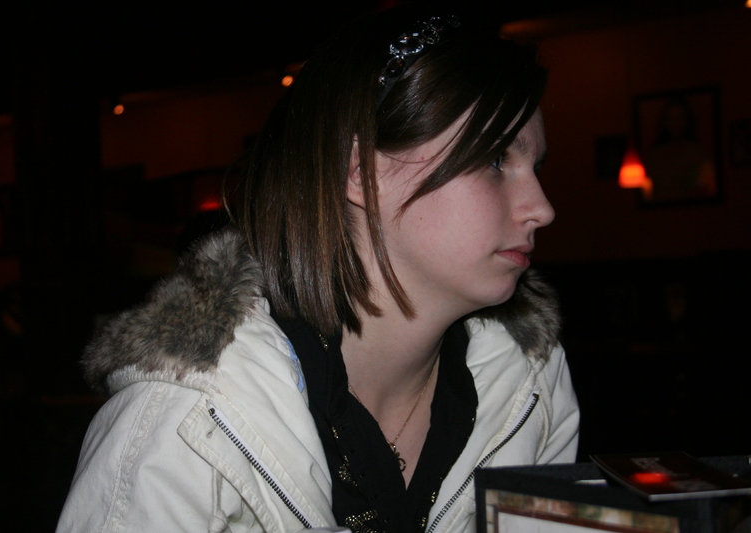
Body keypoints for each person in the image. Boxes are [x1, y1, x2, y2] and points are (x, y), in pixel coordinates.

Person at [57, 8, 578, 533]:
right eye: (495, 160)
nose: (543, 208)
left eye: (536, 167)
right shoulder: (185, 424)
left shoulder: (530, 381)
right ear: (361, 172)